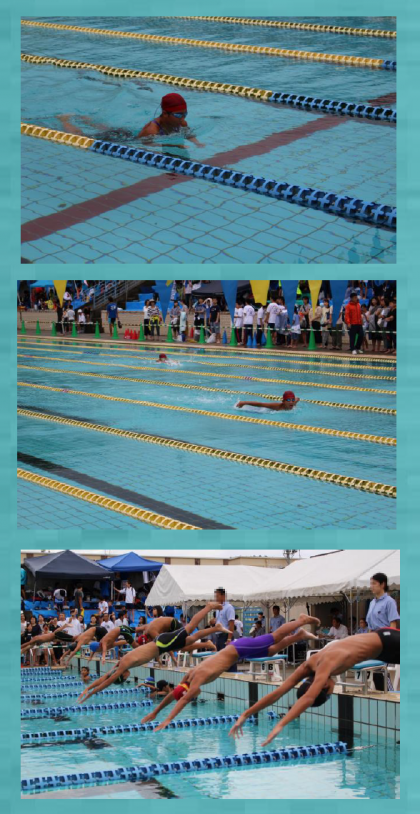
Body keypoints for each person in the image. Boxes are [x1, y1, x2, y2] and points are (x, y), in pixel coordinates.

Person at [140, 614, 320, 730]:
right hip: (238, 651)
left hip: (240, 648)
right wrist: (155, 712)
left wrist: (168, 719)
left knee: (275, 637)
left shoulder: (196, 680)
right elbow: (174, 696)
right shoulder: (190, 675)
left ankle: (301, 620)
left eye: (191, 694)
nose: (194, 695)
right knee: (271, 651)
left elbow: (183, 700)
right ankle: (299, 635)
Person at [229, 627, 400, 745]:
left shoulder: (325, 665)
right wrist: (246, 714)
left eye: (329, 694)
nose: (332, 690)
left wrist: (280, 725)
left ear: (323, 686)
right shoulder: (307, 666)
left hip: (390, 642)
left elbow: (309, 698)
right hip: (383, 645)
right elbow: (278, 692)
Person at [77, 602, 227, 703]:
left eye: (125, 678)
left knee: (190, 628)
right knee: (190, 640)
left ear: (123, 676)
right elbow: (105, 677)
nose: (128, 676)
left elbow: (107, 682)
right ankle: (215, 628)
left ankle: (208, 607)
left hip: (161, 644)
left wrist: (90, 694)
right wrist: (88, 689)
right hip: (161, 644)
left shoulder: (123, 667)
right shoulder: (120, 664)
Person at [138, 93, 205, 147]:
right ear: (165, 113)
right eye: (178, 115)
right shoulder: (152, 130)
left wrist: (197, 143)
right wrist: (173, 145)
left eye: (185, 114)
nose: (183, 118)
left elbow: (188, 134)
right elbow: (146, 144)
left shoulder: (182, 123)